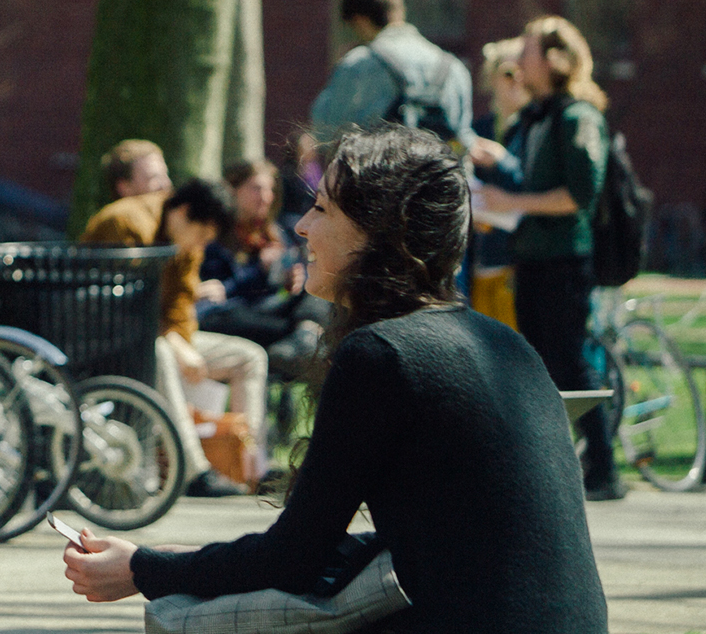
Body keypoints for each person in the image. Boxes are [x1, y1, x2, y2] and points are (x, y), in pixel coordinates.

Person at [63, 124, 609, 634]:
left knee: (176, 614)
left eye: (321, 208)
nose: (301, 225)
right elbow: (418, 540)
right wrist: (181, 558)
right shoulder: (506, 346)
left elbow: (295, 557)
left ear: (377, 232)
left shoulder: (382, 354)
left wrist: (143, 570)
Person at [469, 16, 622, 501]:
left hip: (564, 261)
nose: (519, 58)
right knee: (538, 366)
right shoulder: (536, 116)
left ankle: (603, 471)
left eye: (529, 50)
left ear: (556, 61)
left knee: (572, 362)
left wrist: (513, 204)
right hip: (531, 259)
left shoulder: (577, 117)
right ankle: (553, 470)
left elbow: (580, 195)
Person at [82, 175, 269, 497]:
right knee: (162, 352)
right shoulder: (125, 223)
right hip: (109, 336)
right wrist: (177, 346)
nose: (199, 245)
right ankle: (192, 469)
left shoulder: (187, 240)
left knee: (250, 357)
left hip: (161, 335)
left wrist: (182, 343)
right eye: (199, 234)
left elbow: (181, 304)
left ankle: (249, 465)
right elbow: (125, 307)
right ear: (181, 211)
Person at [199, 158, 334, 378]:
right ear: (233, 190)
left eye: (270, 189)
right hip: (235, 313)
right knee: (282, 327)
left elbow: (283, 287)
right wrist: (259, 271)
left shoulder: (274, 233)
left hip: (271, 309)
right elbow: (219, 293)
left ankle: (301, 337)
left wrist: (294, 279)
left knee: (320, 288)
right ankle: (297, 343)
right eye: (256, 189)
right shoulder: (215, 235)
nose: (266, 197)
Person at [310, 0, 474, 148]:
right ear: (399, 10)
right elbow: (464, 140)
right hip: (441, 174)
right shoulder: (453, 67)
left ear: (360, 21)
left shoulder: (358, 64)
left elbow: (324, 131)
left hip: (381, 174)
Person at [467, 37, 527, 330]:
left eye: (521, 71)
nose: (515, 81)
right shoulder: (480, 128)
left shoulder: (534, 127)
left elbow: (535, 185)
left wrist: (502, 161)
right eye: (507, 72)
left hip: (519, 261)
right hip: (483, 258)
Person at [101, 138, 172, 201]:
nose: (166, 184)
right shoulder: (111, 216)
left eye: (165, 175)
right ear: (124, 188)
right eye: (153, 177)